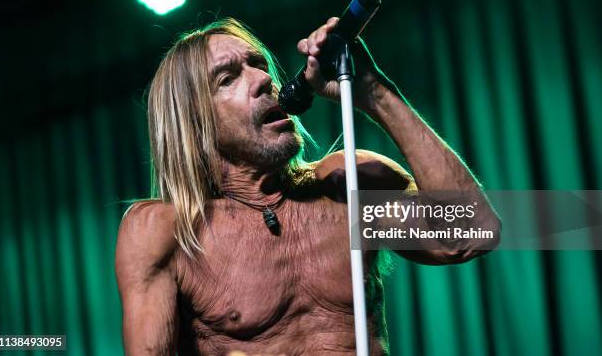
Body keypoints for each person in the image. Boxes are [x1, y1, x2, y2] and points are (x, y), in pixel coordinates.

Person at [115, 17, 501, 355]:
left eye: (260, 64)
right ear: (194, 123)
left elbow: (472, 233)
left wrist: (373, 92)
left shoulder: (347, 183)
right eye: (229, 78)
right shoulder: (165, 232)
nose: (264, 80)